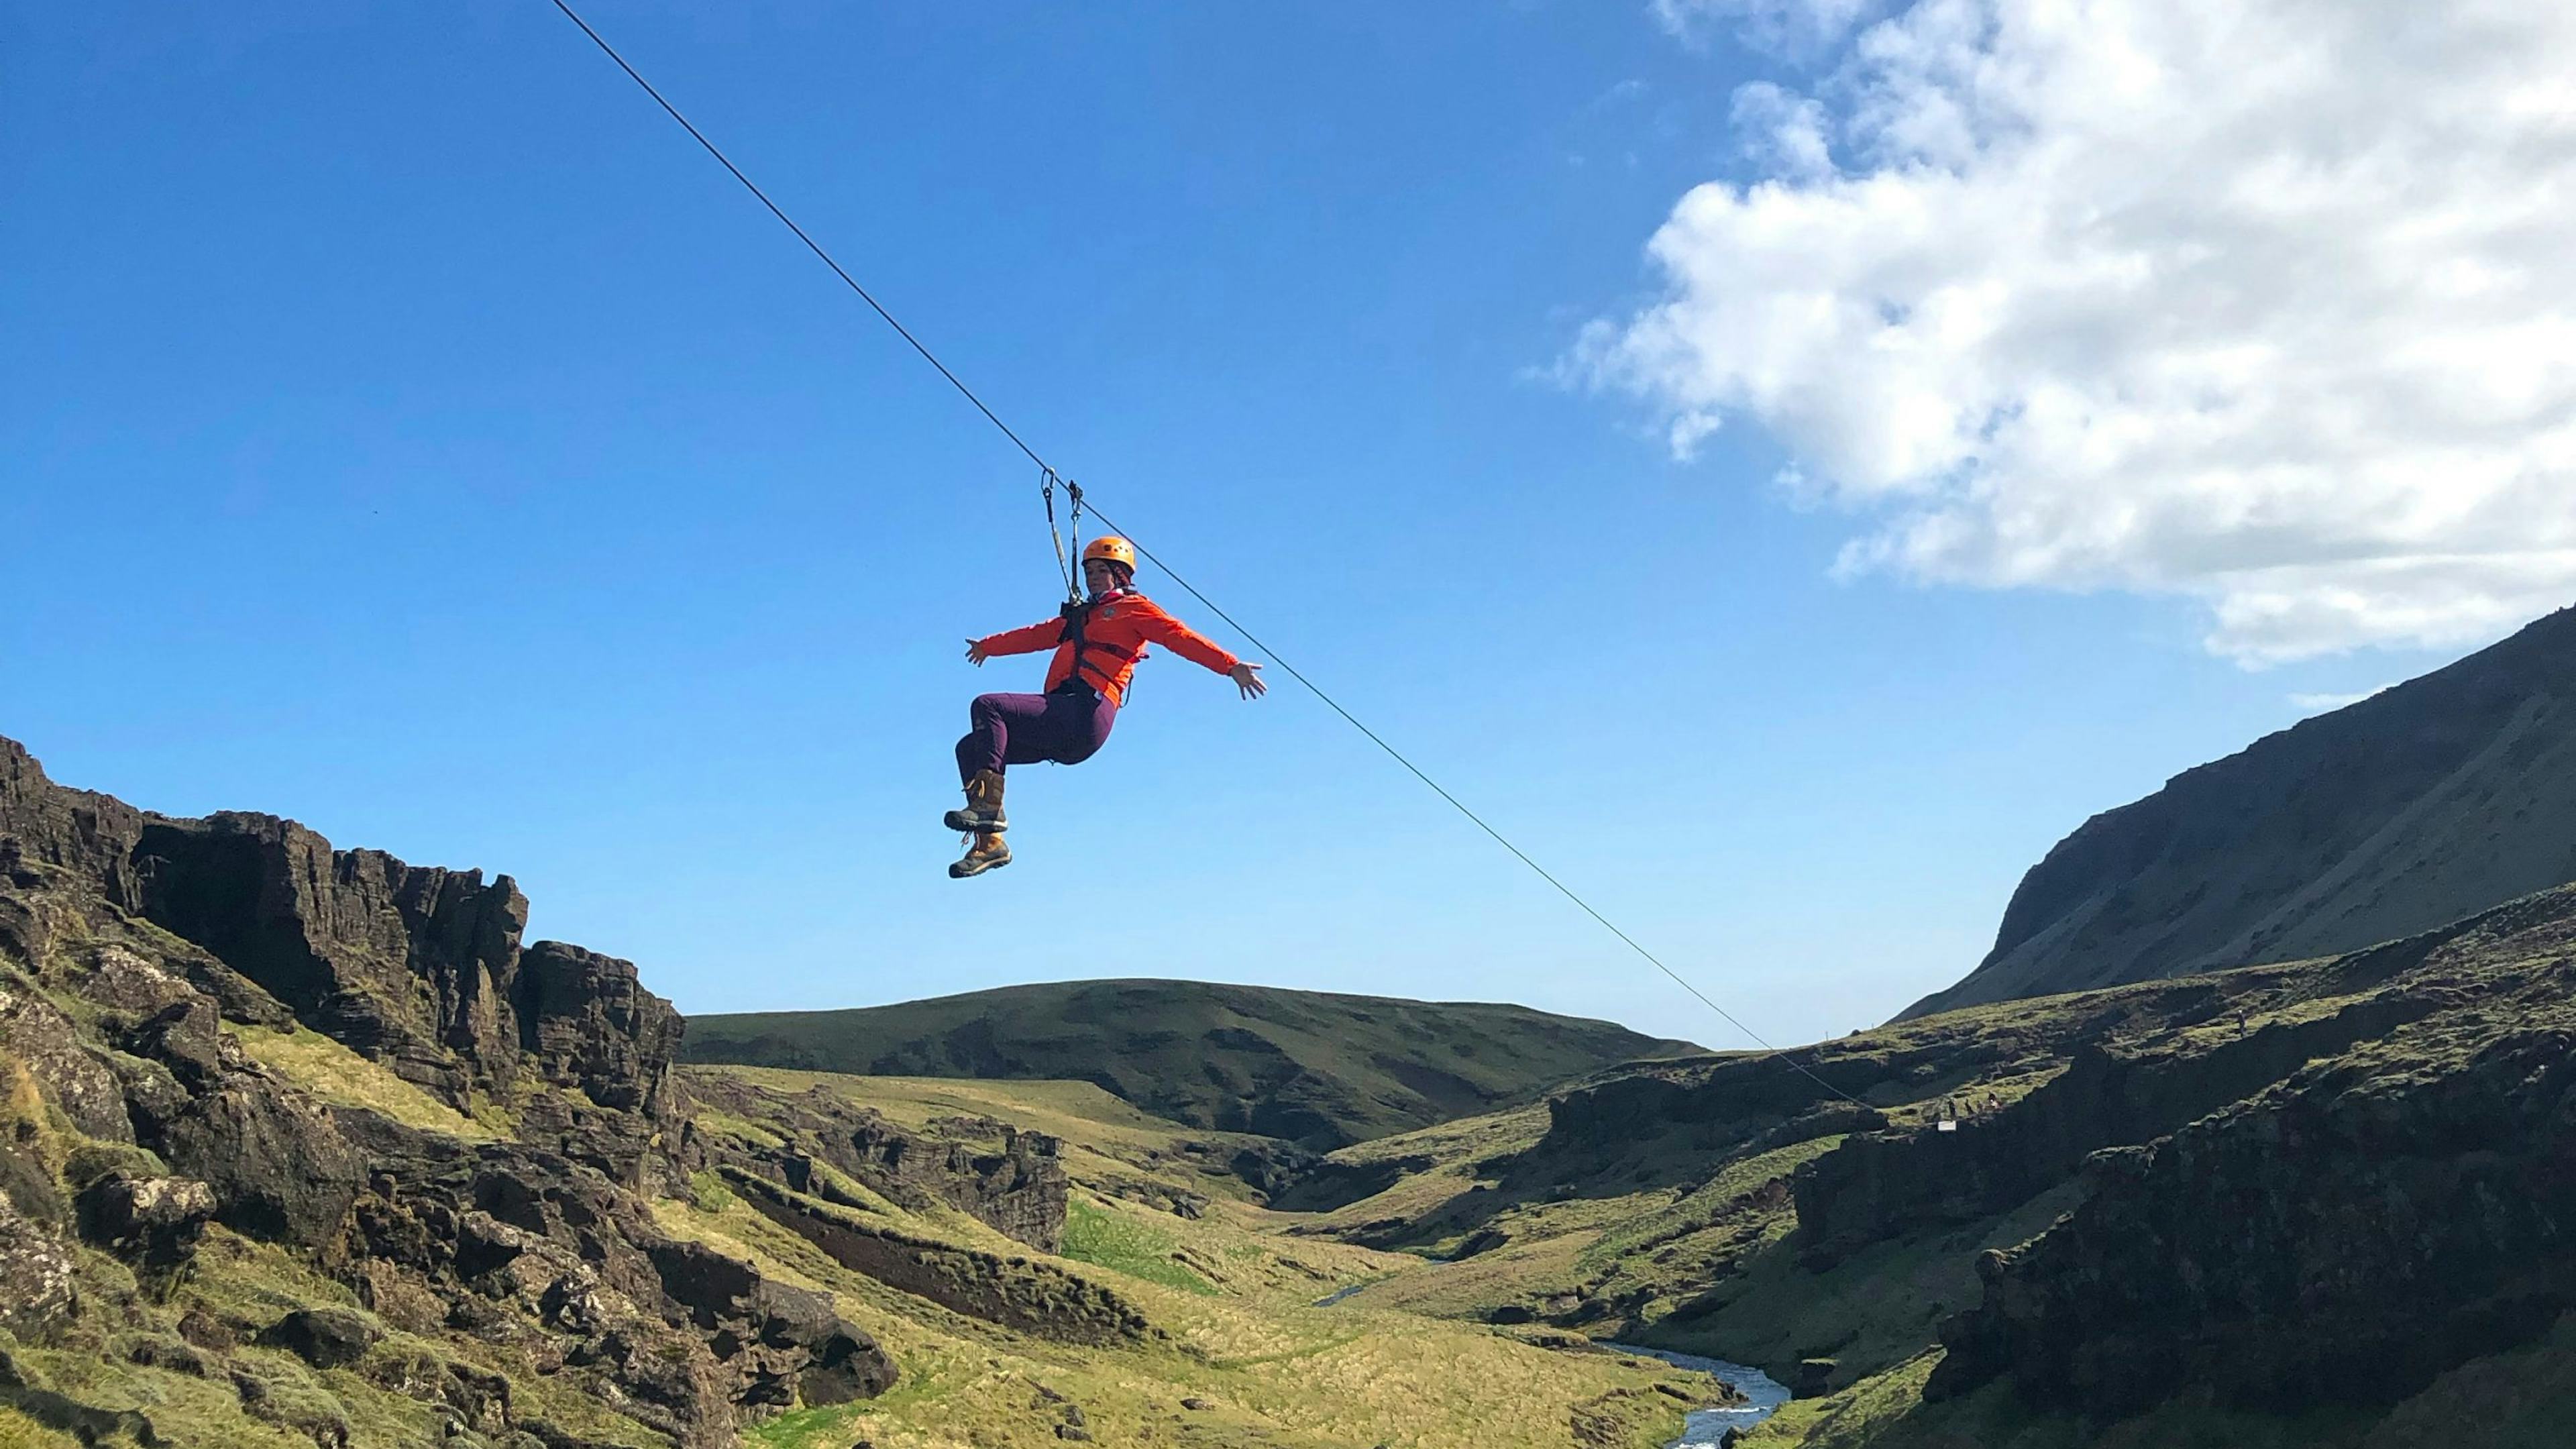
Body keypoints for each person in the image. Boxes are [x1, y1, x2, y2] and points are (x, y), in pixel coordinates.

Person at [945, 536, 1265, 877]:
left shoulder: (1135, 609)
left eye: (1101, 570)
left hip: (1086, 713)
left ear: (1120, 574)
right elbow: (1036, 635)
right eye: (1089, 571)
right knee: (969, 748)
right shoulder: (1081, 618)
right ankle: (990, 844)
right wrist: (988, 647)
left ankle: (989, 808)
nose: (1093, 577)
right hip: (1061, 720)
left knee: (988, 706)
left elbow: (1178, 636)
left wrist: (1230, 665)